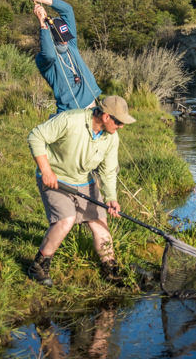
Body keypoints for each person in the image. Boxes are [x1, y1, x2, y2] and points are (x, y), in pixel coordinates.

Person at [26, 95, 137, 287]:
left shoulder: (111, 138)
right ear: (106, 117)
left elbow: (108, 171)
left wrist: (111, 198)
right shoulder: (71, 120)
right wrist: (46, 171)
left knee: (100, 222)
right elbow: (35, 136)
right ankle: (39, 266)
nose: (121, 127)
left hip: (85, 181)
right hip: (56, 179)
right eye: (119, 122)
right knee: (65, 220)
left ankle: (109, 268)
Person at [27, 0, 101, 113]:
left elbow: (68, 10)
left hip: (92, 106)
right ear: (51, 38)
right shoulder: (44, 60)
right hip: (71, 113)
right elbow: (49, 54)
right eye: (61, 39)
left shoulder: (71, 44)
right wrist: (43, 24)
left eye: (66, 37)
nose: (65, 42)